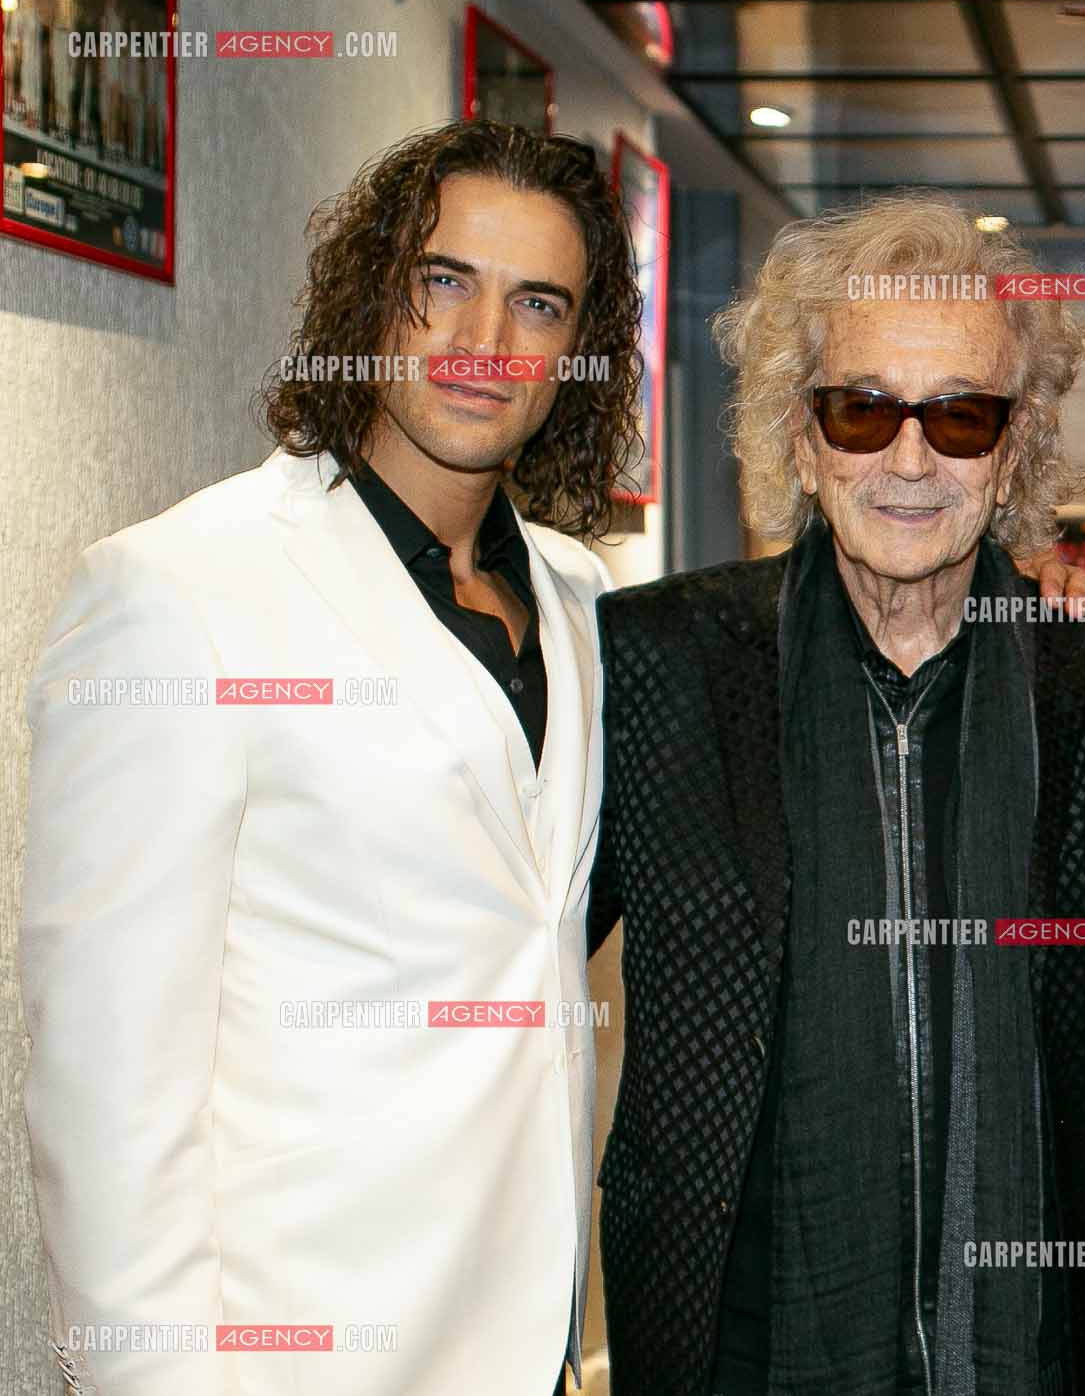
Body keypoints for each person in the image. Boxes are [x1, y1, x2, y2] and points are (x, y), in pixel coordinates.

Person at [21, 120, 642, 1396]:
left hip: (526, 1349)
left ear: (575, 351)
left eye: (539, 304)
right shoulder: (182, 594)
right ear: (373, 295)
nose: (487, 345)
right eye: (443, 283)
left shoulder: (581, 606)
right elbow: (105, 1096)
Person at [588, 191, 1085, 1396]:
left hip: (1035, 1339)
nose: (909, 459)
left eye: (961, 416)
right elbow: (494, 954)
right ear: (802, 438)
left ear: (1014, 449)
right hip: (736, 1337)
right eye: (863, 410)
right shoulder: (659, 662)